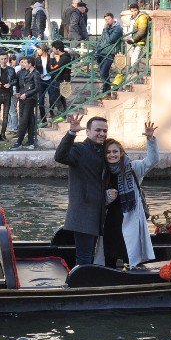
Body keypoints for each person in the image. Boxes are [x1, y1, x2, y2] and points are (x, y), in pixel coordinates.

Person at [96, 123, 160, 268]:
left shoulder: (133, 168)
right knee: (109, 255)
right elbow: (97, 197)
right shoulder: (102, 172)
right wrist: (107, 196)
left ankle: (131, 279)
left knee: (129, 254)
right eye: (108, 152)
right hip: (109, 223)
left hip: (130, 218)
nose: (112, 155)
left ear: (121, 153)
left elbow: (153, 160)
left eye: (115, 151)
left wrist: (150, 139)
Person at [54, 114, 109, 267]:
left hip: (99, 216)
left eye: (105, 131)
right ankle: (81, 288)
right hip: (83, 215)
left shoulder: (106, 151)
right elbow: (59, 156)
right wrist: (71, 133)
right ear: (88, 132)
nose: (102, 134)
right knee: (84, 259)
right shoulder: (79, 149)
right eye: (98, 130)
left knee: (93, 258)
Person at [10, 56, 41, 150]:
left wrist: (26, 94)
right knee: (29, 120)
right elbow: (22, 84)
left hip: (30, 99)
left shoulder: (35, 73)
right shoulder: (25, 72)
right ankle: (31, 141)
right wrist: (19, 93)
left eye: (25, 63)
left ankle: (19, 142)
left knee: (23, 120)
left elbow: (37, 88)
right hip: (23, 98)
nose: (23, 64)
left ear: (30, 64)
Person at [0, 52, 16, 143]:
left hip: (7, 94)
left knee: (5, 116)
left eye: (5, 59)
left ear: (7, 59)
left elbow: (15, 80)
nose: (3, 60)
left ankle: (3, 134)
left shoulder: (11, 69)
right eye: (2, 59)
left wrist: (10, 84)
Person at [98, 12, 123, 94]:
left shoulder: (117, 28)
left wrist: (105, 30)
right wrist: (97, 50)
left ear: (113, 18)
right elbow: (101, 40)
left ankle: (107, 90)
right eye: (106, 20)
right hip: (102, 52)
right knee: (103, 74)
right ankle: (106, 91)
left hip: (110, 53)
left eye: (108, 19)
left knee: (103, 73)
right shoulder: (106, 28)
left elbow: (110, 40)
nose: (107, 21)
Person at [48, 41, 72, 117]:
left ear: (57, 49)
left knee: (57, 98)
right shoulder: (64, 57)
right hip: (62, 80)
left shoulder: (64, 58)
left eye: (53, 48)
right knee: (61, 98)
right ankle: (63, 115)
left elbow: (54, 69)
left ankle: (61, 115)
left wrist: (51, 58)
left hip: (62, 81)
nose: (52, 50)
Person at [124, 2, 150, 67]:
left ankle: (135, 73)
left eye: (135, 10)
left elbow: (141, 31)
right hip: (133, 41)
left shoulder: (142, 17)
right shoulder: (133, 18)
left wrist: (133, 40)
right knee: (133, 59)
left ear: (138, 10)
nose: (134, 12)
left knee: (134, 60)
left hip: (139, 41)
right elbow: (131, 29)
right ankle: (136, 73)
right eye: (132, 11)